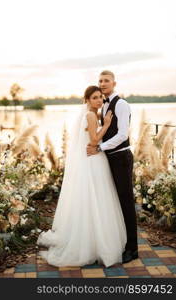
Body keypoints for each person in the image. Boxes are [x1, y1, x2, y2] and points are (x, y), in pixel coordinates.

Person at [37, 85, 126, 267]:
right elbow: (94, 140)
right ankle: (95, 243)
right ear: (86, 100)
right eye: (94, 97)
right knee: (97, 197)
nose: (99, 100)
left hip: (90, 159)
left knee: (91, 198)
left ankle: (90, 240)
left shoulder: (89, 114)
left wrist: (104, 121)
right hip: (93, 159)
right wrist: (107, 124)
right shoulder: (91, 115)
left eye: (100, 97)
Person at [87, 71, 138, 264]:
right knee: (114, 202)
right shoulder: (103, 105)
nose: (102, 83)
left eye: (106, 80)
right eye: (100, 81)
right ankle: (119, 242)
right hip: (109, 158)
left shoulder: (122, 104)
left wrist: (100, 147)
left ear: (114, 83)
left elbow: (123, 134)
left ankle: (132, 249)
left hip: (121, 158)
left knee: (126, 202)